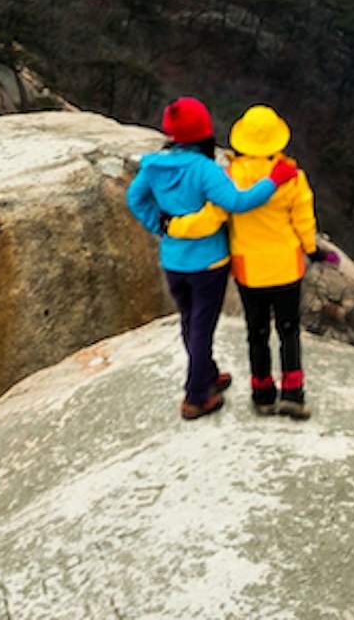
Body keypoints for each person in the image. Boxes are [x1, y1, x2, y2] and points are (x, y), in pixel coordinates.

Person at [125, 96, 297, 419]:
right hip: (208, 263)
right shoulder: (205, 170)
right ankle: (196, 396)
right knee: (203, 326)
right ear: (204, 133)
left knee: (190, 320)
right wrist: (273, 181)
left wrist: (160, 226)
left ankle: (206, 372)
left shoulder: (154, 166)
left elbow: (135, 198)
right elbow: (237, 201)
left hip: (174, 261)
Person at [225, 104, 322, 417]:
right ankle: (292, 392)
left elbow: (221, 218)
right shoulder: (292, 178)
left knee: (257, 332)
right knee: (289, 330)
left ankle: (262, 392)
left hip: (248, 268)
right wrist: (311, 248)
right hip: (285, 265)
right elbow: (304, 221)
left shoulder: (230, 177)